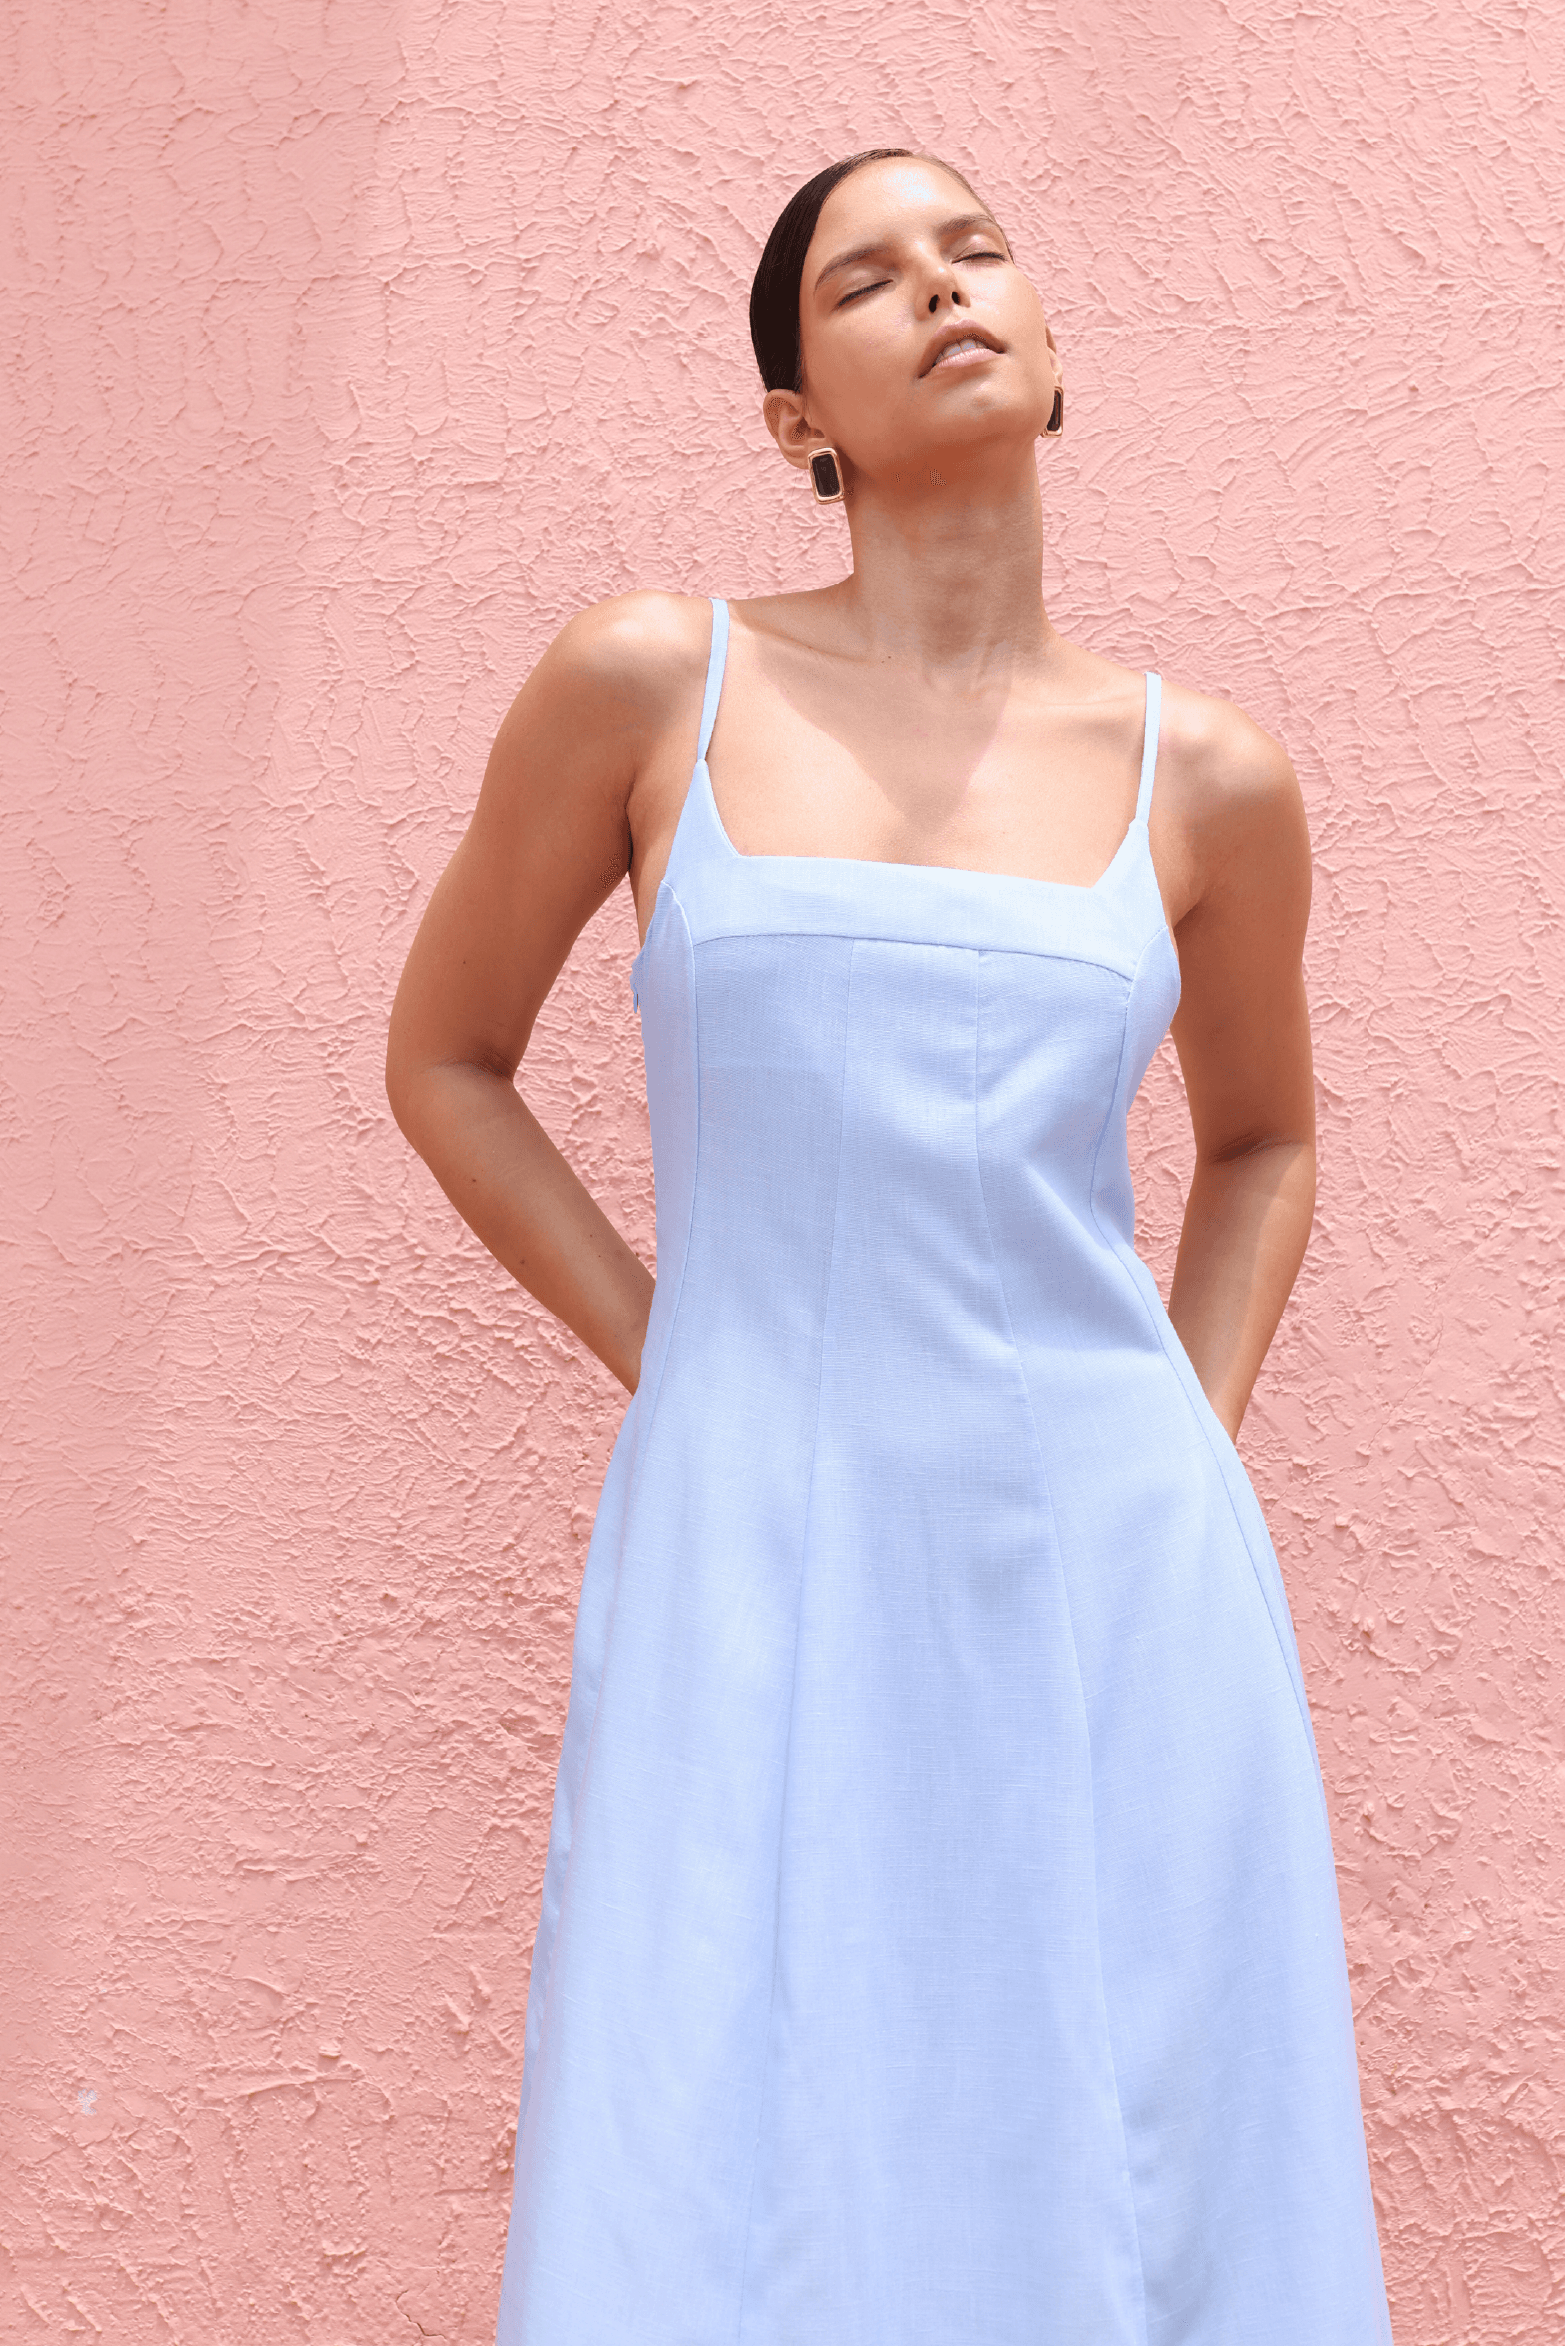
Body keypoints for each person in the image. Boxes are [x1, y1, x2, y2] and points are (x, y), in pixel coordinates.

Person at [386, 148, 1395, 2346]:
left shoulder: (1208, 775)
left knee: (1128, 2124)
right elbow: (446, 1060)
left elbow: (1263, 1144)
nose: (941, 288)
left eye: (977, 251)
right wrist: (687, 1353)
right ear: (794, 420)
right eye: (868, 277)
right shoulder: (650, 682)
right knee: (716, 2109)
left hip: (1110, 1577)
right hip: (749, 1533)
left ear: (1051, 351)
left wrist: (1177, 1450)